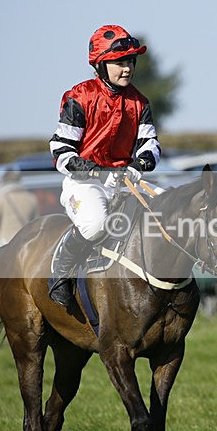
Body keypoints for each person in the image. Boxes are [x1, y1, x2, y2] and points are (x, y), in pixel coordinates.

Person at [48, 24, 160, 308]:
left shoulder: (140, 102)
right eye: (119, 63)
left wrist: (137, 166)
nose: (127, 69)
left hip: (124, 181)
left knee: (169, 209)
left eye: (130, 62)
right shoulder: (79, 97)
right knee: (97, 224)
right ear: (100, 65)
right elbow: (61, 150)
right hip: (85, 183)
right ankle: (60, 273)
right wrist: (92, 169)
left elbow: (151, 145)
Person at [0, 169, 40, 248]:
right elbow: (37, 222)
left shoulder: (2, 198)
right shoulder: (31, 198)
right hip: (26, 243)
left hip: (5, 243)